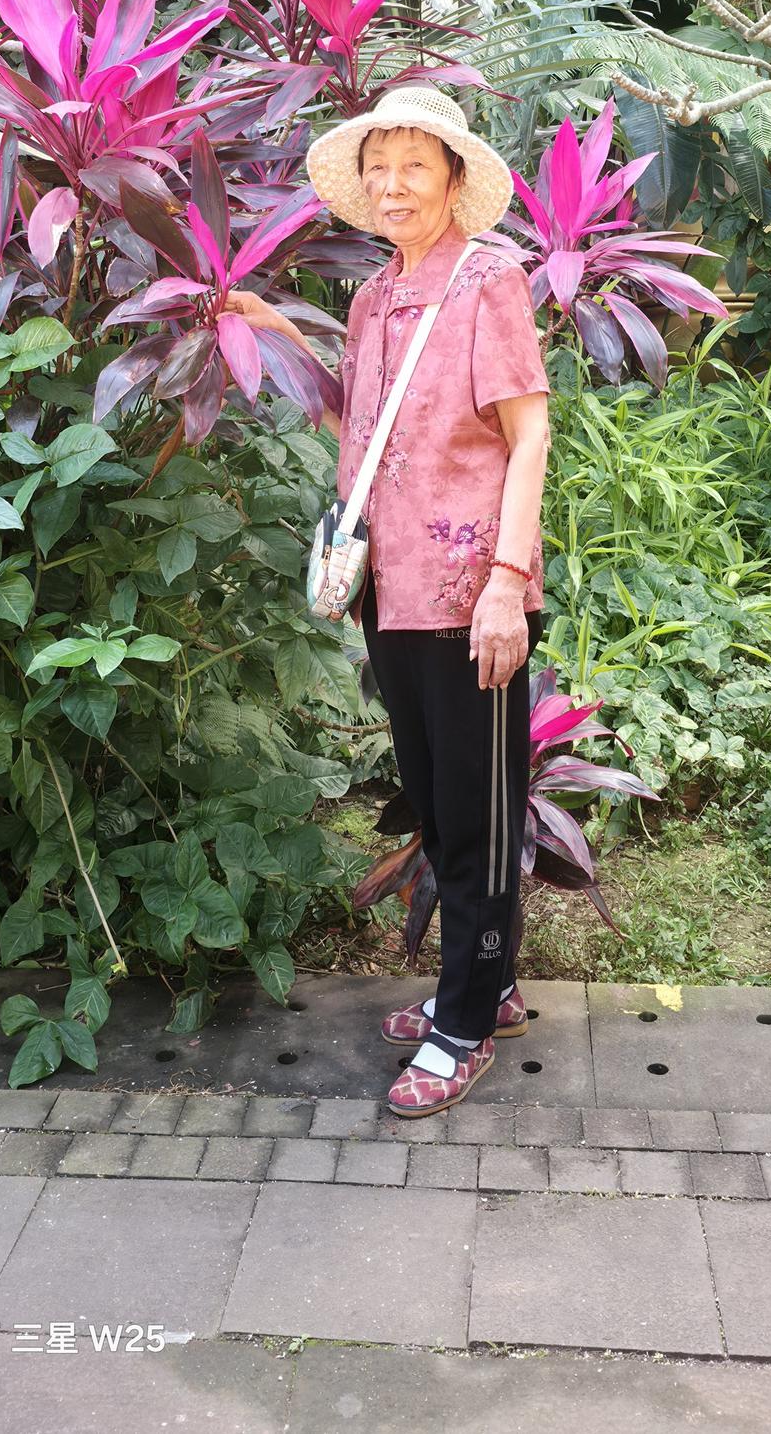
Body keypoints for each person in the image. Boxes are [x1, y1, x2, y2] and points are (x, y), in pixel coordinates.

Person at [228, 83, 550, 1116]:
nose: (391, 182)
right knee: (438, 799)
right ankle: (483, 983)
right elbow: (356, 430)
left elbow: (528, 430)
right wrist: (269, 322)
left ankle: (460, 1024)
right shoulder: (374, 299)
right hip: (392, 586)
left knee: (479, 812)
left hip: (470, 591)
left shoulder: (486, 281)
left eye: (414, 162)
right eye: (379, 164)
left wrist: (508, 580)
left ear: (455, 180)